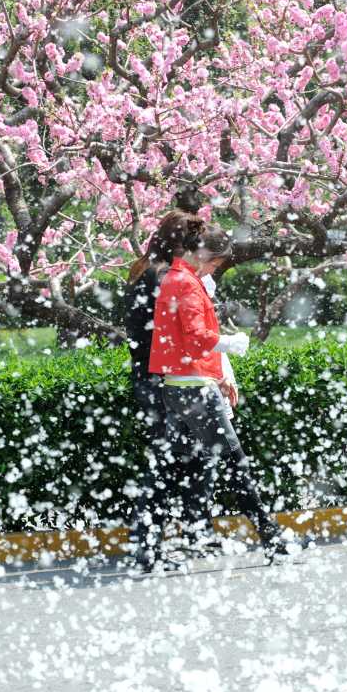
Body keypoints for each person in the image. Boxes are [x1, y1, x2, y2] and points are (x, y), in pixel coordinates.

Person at [147, 220, 307, 563]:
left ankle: (146, 547)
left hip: (178, 388)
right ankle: (272, 538)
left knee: (175, 469)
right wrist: (231, 344)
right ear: (204, 254)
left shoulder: (174, 279)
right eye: (217, 261)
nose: (217, 267)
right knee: (237, 467)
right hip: (195, 391)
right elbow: (195, 337)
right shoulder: (186, 283)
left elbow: (179, 340)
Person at [123, 210, 215, 572]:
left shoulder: (144, 270)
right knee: (175, 460)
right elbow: (183, 335)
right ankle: (154, 545)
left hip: (150, 378)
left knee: (185, 456)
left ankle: (185, 534)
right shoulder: (165, 278)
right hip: (168, 380)